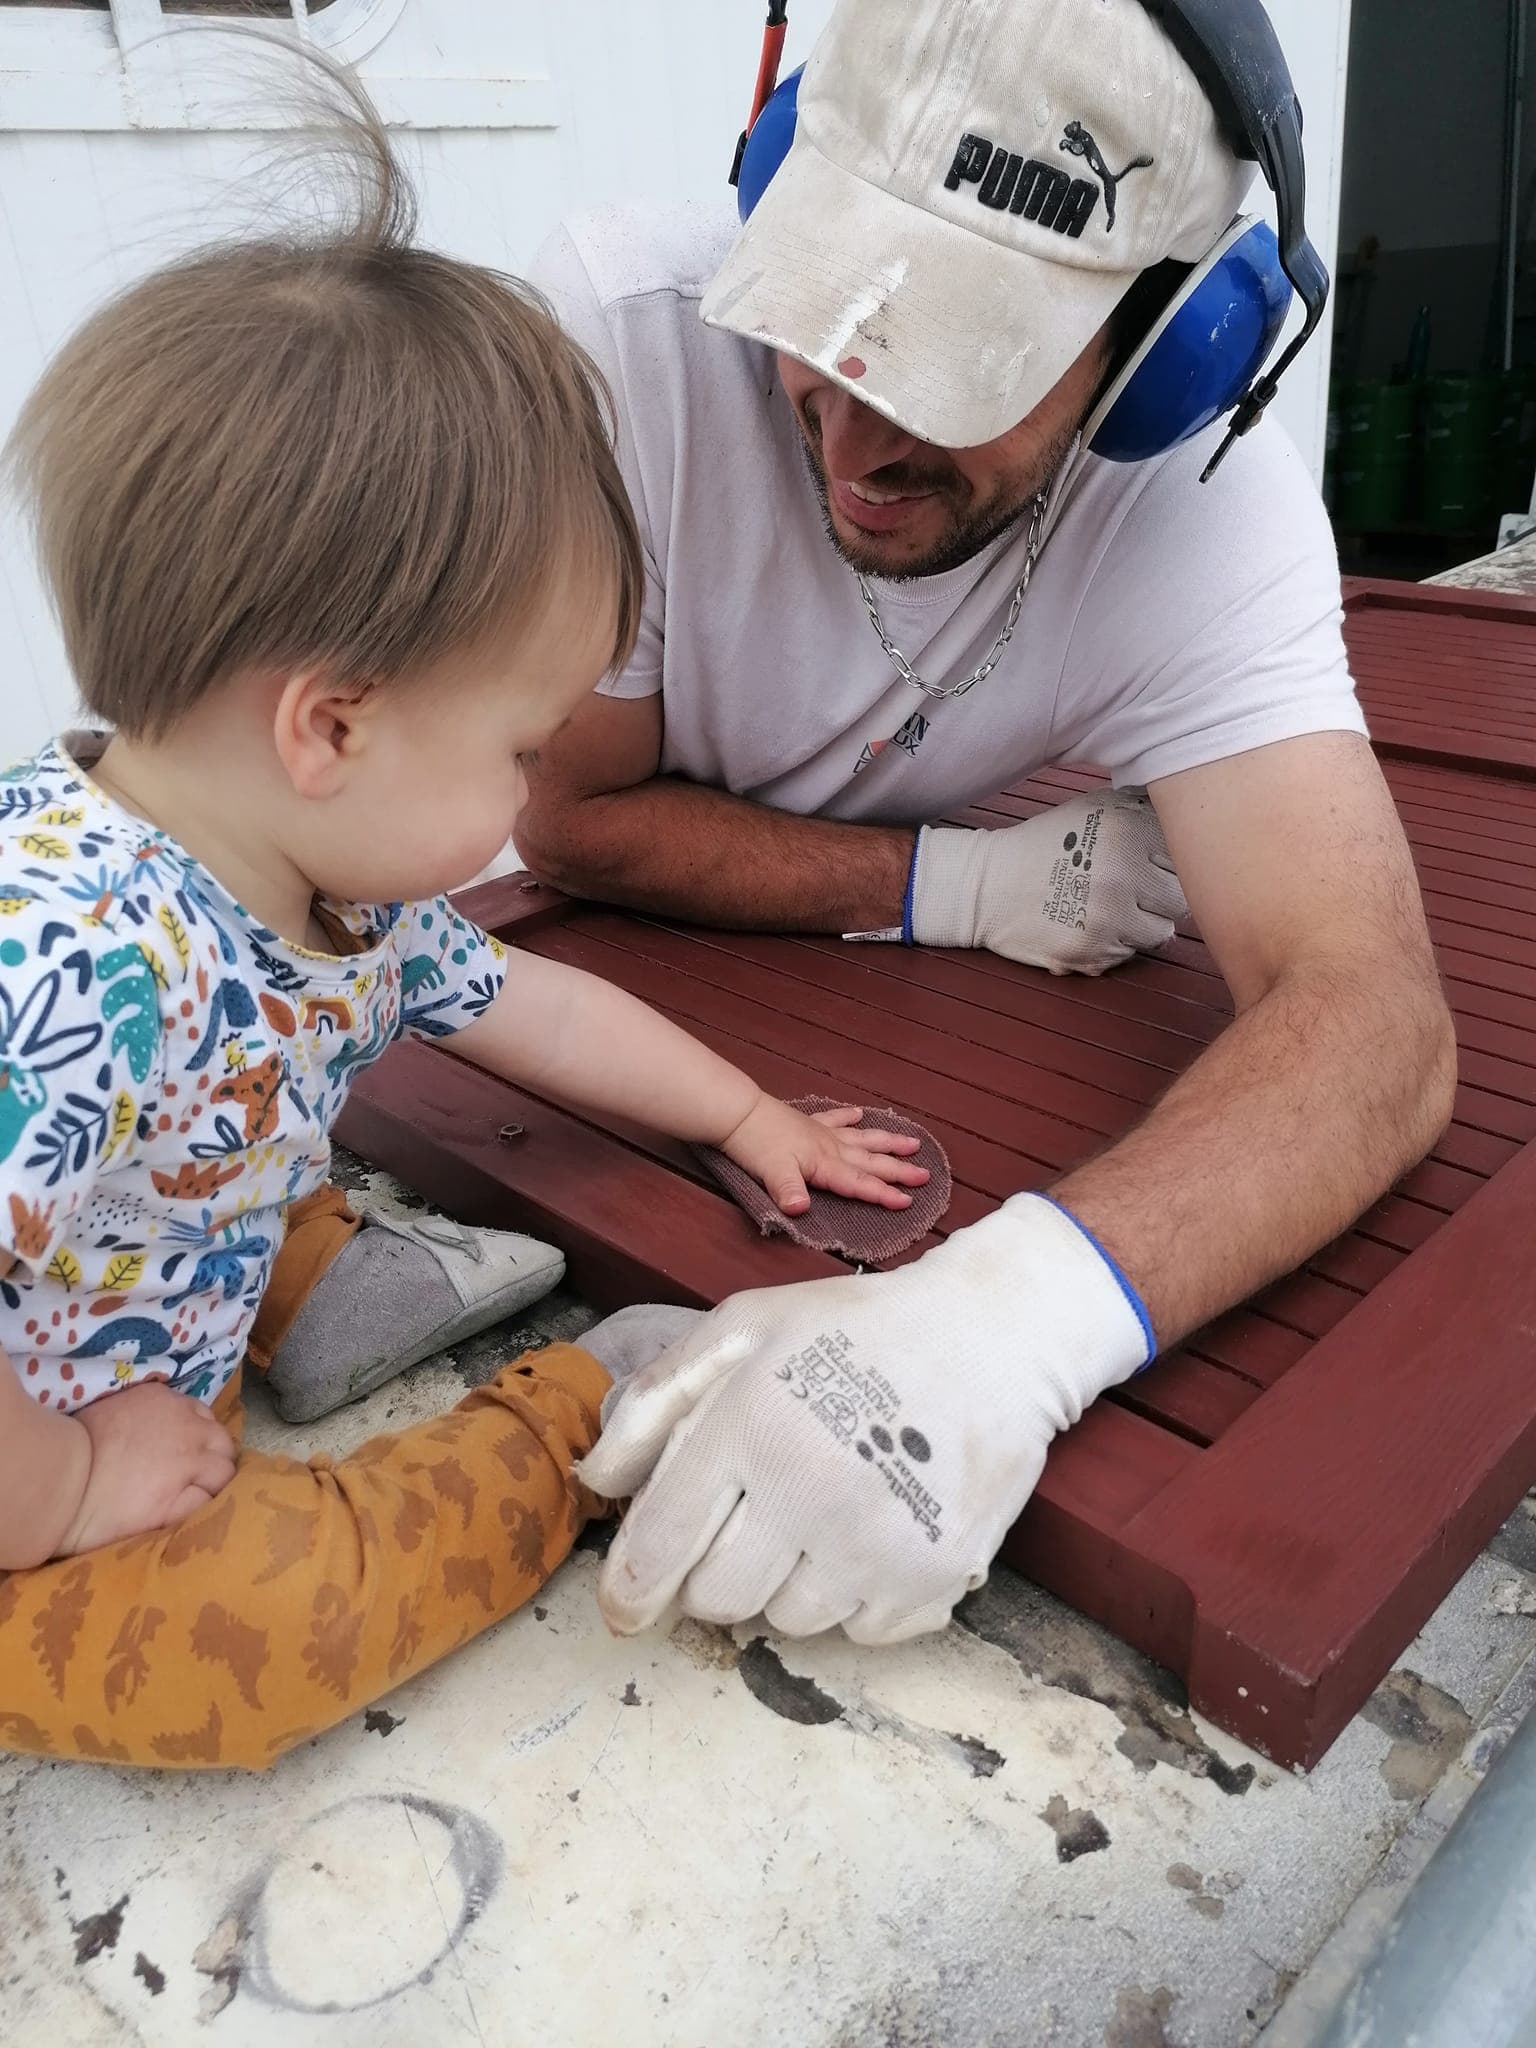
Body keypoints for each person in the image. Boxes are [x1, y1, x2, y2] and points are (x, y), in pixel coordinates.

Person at [0, 74, 926, 1770]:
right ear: (331, 727)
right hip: (39, 1449)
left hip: (114, 1263)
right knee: (246, 1651)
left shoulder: (323, 882)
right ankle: (577, 1414)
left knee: (220, 1158)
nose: (538, 787)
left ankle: (303, 1282)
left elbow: (538, 1011)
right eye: (518, 743)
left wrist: (746, 1116)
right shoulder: (78, 968)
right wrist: (66, 1482)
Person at [509, 0, 1458, 1643]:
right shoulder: (623, 344)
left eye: (964, 367)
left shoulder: (1206, 512)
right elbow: (568, 828)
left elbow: (1369, 1011)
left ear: (1173, 349)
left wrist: (1013, 1323)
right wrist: (947, 884)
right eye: (822, 315)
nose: (856, 434)